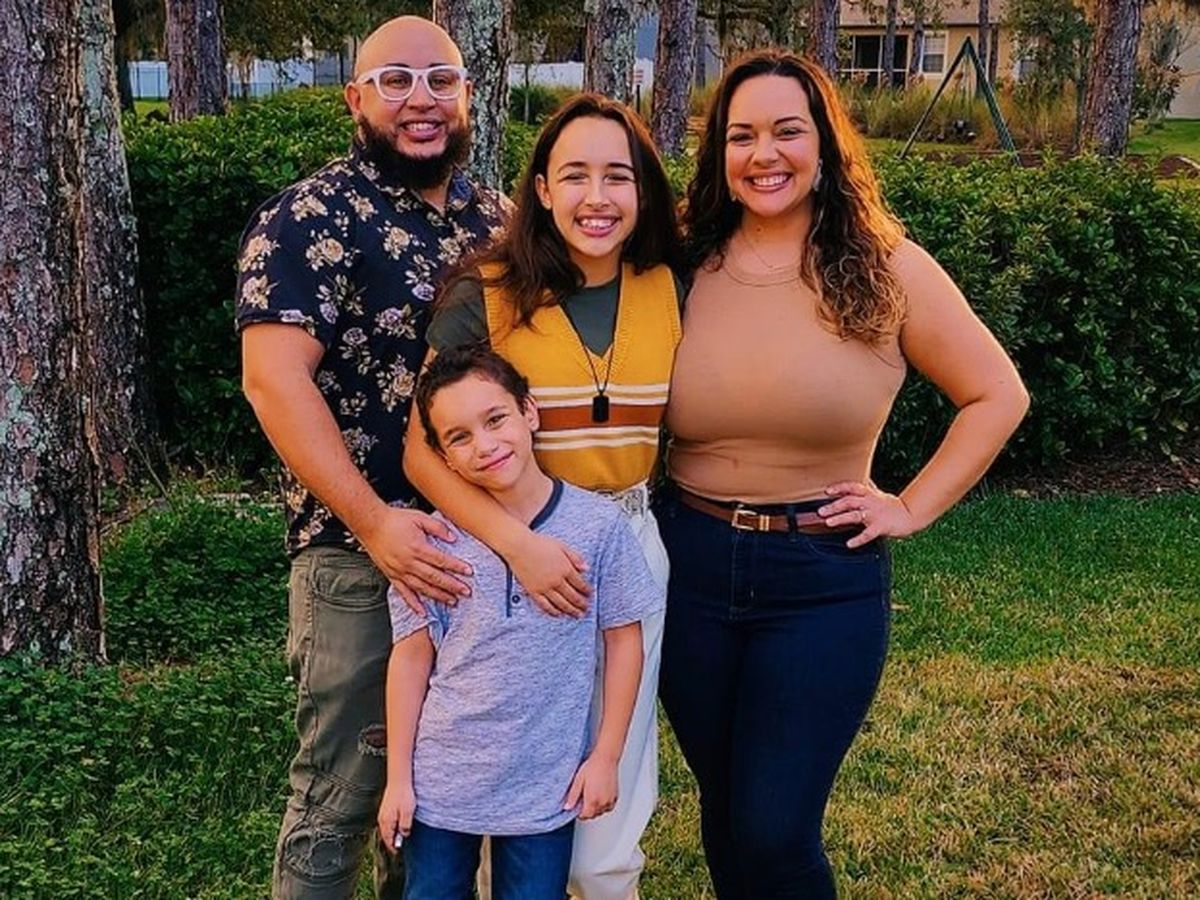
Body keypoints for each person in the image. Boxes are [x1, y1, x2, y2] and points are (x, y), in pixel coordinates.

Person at [656, 49, 1030, 899]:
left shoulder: (886, 267)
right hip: (687, 568)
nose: (765, 154)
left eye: (787, 131)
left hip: (820, 579)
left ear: (824, 144)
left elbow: (996, 394)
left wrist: (910, 506)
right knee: (727, 814)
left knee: (775, 830)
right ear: (719, 153)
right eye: (742, 135)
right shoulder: (679, 264)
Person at [235, 16, 510, 898]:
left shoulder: (499, 221)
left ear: (469, 96)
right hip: (357, 557)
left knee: (442, 804)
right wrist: (376, 522)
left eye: (440, 80)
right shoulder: (308, 217)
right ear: (356, 99)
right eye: (395, 80)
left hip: (478, 554)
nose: (420, 99)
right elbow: (273, 380)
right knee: (342, 797)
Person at [402, 93, 682, 900]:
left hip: (623, 537)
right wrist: (517, 546)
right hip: (504, 544)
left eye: (618, 176)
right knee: (513, 795)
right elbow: (420, 449)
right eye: (575, 175)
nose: (598, 197)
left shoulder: (670, 286)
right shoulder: (488, 292)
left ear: (643, 190)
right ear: (543, 189)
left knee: (603, 827)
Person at [377, 346, 664, 900]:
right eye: (459, 437)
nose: (485, 445)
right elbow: (410, 660)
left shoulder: (599, 527)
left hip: (546, 786)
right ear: (443, 458)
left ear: (529, 412)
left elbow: (624, 642)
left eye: (495, 419)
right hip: (441, 783)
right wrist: (398, 781)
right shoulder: (433, 543)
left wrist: (605, 758)